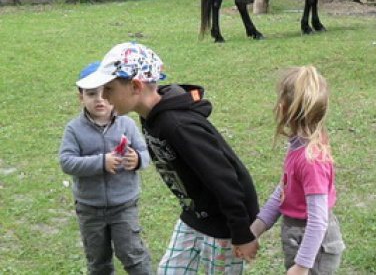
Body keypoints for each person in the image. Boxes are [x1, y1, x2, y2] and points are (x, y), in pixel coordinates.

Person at [76, 42, 260, 274]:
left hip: (225, 222)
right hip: (194, 216)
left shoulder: (177, 126)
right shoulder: (150, 116)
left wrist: (242, 233)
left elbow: (225, 179)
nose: (103, 97)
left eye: (109, 89)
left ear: (135, 86)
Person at [59, 61, 153, 275]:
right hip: (90, 207)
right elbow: (67, 161)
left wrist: (137, 159)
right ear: (80, 96)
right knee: (98, 260)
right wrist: (101, 162)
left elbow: (146, 153)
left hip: (124, 204)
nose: (100, 99)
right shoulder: (74, 129)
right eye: (92, 94)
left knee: (132, 253)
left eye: (105, 93)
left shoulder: (127, 124)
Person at [250, 66, 345, 274]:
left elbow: (318, 220)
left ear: (283, 110)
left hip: (315, 249)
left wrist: (302, 266)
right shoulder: (299, 145)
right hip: (300, 240)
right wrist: (255, 230)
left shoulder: (311, 159)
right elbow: (283, 193)